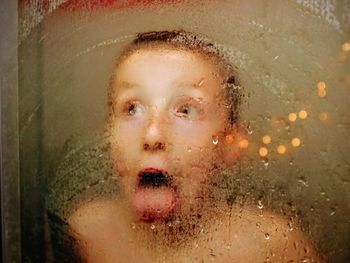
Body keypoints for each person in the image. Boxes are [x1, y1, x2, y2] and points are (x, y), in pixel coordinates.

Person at [67, 30, 321, 262]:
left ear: (229, 144)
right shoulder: (86, 231)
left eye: (186, 110)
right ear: (108, 134)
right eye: (132, 108)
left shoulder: (271, 244)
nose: (153, 134)